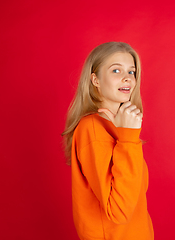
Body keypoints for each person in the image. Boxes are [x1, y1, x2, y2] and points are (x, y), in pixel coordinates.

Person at [62, 42, 154, 240]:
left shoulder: (117, 127)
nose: (127, 77)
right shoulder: (92, 127)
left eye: (132, 71)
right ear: (95, 80)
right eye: (116, 70)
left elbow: (134, 197)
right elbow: (119, 211)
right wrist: (128, 139)